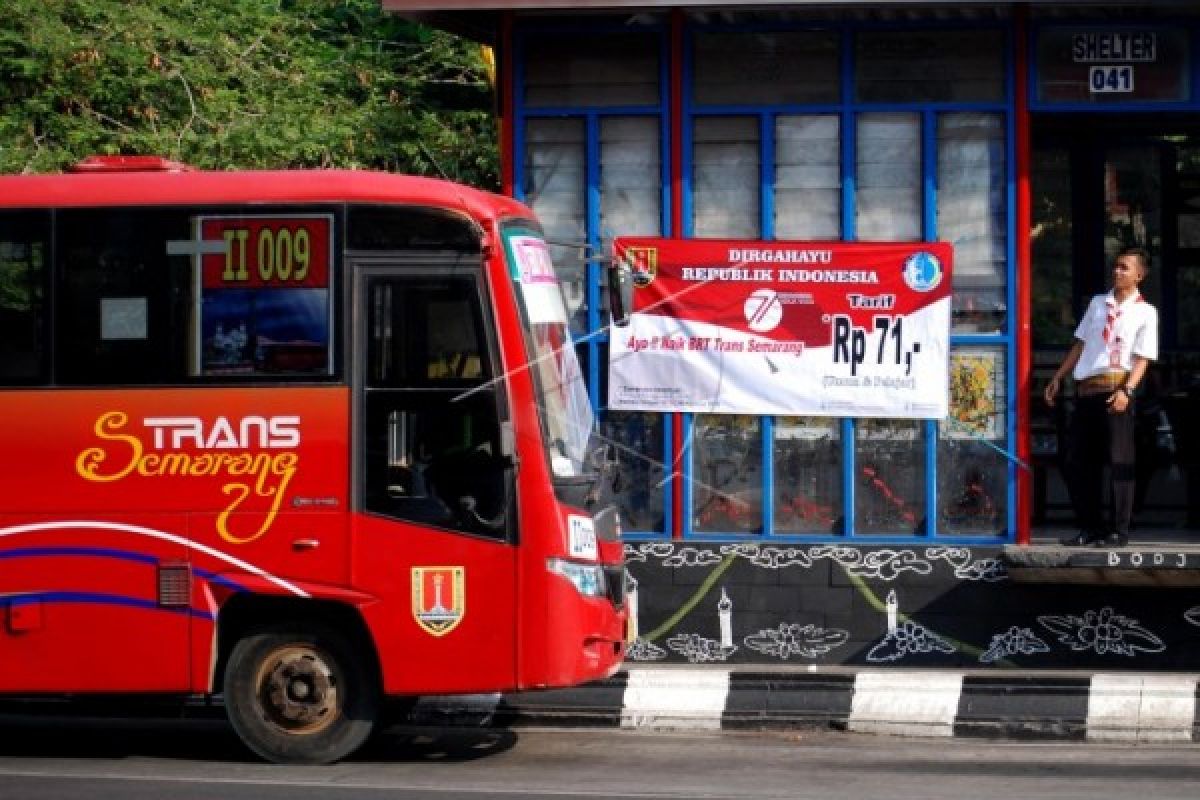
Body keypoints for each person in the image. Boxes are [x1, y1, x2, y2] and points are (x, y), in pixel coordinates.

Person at [1043, 246, 1158, 547]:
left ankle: (1119, 530)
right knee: (1078, 461)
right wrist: (1058, 377)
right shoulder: (1098, 303)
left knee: (1120, 461)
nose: (1117, 272)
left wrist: (1127, 391)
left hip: (1117, 389)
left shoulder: (1146, 311)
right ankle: (1089, 526)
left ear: (1139, 275)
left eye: (1124, 267)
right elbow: (1080, 344)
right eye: (1116, 266)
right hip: (1087, 390)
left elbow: (1143, 358)